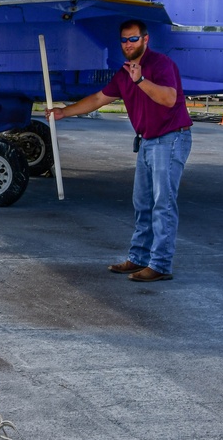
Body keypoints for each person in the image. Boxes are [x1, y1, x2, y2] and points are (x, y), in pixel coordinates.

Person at [46, 19, 192, 282]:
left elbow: (169, 99)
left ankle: (160, 264)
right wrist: (63, 112)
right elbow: (99, 98)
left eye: (133, 39)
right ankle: (138, 259)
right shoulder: (124, 73)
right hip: (147, 141)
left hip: (170, 139)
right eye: (124, 40)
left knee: (163, 204)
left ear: (145, 40)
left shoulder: (161, 65)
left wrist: (141, 81)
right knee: (142, 203)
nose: (128, 44)